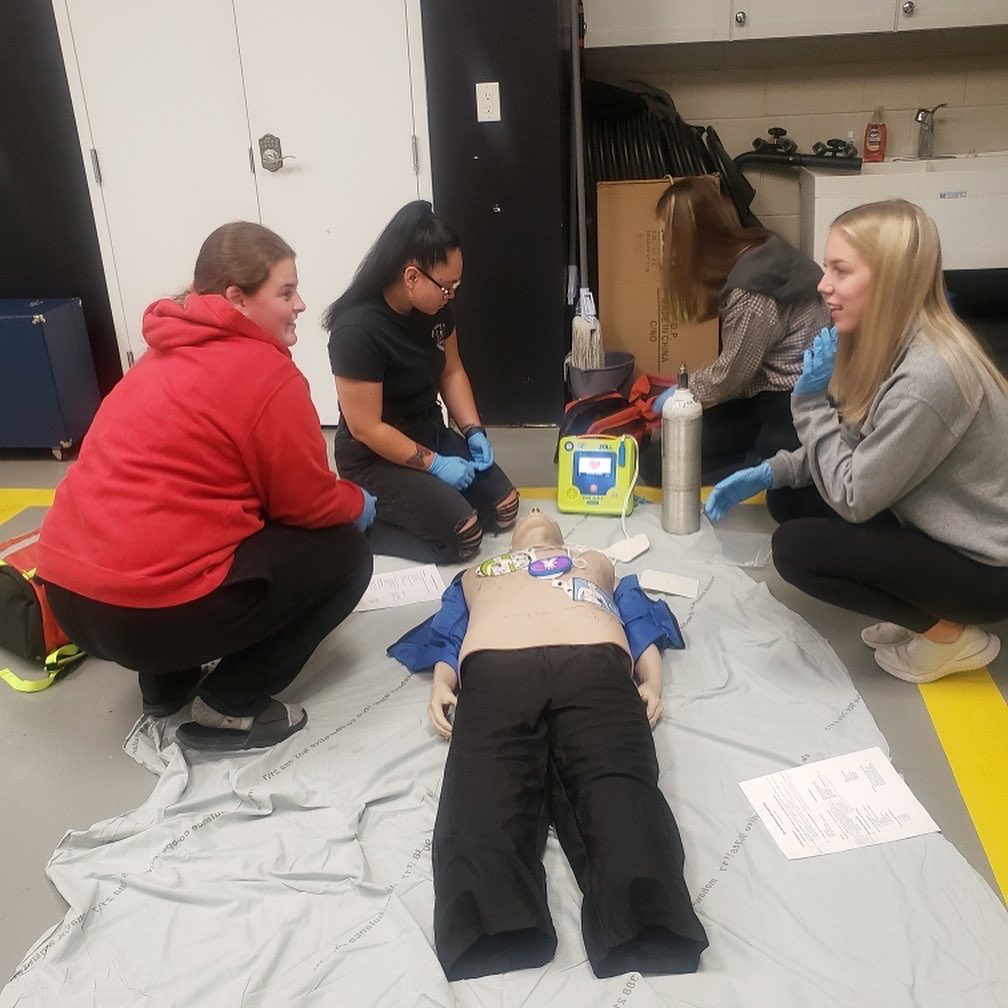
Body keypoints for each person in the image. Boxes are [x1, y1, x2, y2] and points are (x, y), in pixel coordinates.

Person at [37, 222, 375, 751]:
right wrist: (357, 502)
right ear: (237, 299)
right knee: (345, 554)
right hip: (141, 615)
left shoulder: (157, 357)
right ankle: (230, 705)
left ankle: (165, 685)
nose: (301, 305)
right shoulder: (267, 374)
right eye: (285, 293)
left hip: (67, 594)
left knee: (189, 530)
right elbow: (307, 503)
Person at [388, 508, 709, 981]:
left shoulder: (597, 561)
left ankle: (649, 923)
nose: (537, 512)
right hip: (496, 669)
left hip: (595, 663)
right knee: (482, 792)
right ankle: (492, 926)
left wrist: (652, 681)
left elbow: (637, 618)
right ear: (511, 543)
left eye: (545, 513)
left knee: (619, 789)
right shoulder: (476, 575)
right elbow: (450, 631)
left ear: (563, 536)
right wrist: (443, 682)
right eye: (529, 513)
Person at [705, 199, 1008, 683]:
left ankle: (949, 634)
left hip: (985, 567)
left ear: (889, 280)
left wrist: (807, 405)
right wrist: (772, 471)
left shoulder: (929, 375)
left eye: (840, 270)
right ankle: (917, 603)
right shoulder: (893, 341)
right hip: (935, 523)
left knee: (796, 548)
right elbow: (853, 439)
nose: (823, 284)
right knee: (791, 495)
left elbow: (854, 496)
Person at [325, 200, 518, 565]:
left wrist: (473, 430)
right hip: (374, 456)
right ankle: (360, 524)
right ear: (411, 276)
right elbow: (366, 428)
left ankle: (431, 499)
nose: (452, 295)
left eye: (457, 285)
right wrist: (434, 465)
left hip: (428, 431)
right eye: (447, 287)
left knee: (504, 508)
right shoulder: (357, 330)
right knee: (463, 538)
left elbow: (451, 370)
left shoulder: (435, 309)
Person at [639, 176, 831, 485]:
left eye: (666, 237)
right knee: (664, 452)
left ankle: (755, 468)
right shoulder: (759, 246)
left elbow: (732, 378)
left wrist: (686, 392)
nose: (662, 249)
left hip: (791, 398)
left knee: (657, 465)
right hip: (774, 389)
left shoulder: (750, 292)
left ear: (691, 240)